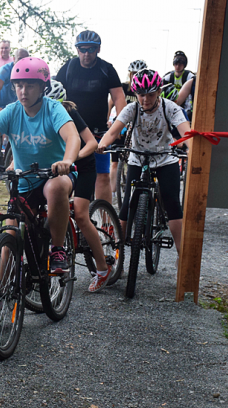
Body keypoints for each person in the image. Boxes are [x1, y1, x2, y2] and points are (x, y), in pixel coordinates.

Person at [0, 58, 83, 280]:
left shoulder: (53, 109)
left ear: (43, 87)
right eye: (19, 86)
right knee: (9, 234)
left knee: (55, 189)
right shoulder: (12, 111)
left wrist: (67, 161)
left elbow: (72, 136)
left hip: (57, 174)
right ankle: (0, 295)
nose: (23, 91)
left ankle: (58, 249)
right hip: (25, 179)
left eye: (30, 85)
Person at [98, 69, 191, 260]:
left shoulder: (170, 107)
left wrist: (190, 148)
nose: (146, 99)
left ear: (158, 92)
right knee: (126, 206)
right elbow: (114, 131)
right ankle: (118, 254)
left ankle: (183, 256)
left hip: (165, 158)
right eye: (141, 95)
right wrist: (102, 144)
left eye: (150, 94)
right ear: (136, 94)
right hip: (138, 158)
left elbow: (186, 132)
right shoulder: (132, 109)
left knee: (172, 202)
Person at [45, 80, 115, 288]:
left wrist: (73, 158)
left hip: (82, 166)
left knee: (82, 215)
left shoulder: (70, 113)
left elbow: (92, 143)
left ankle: (102, 268)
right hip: (56, 168)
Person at [55, 30, 126, 203]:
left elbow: (118, 98)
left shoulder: (106, 69)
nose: (86, 54)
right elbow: (54, 96)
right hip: (70, 129)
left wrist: (119, 126)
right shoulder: (69, 67)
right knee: (66, 172)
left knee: (102, 176)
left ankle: (107, 222)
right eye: (82, 49)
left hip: (98, 131)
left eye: (91, 50)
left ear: (98, 50)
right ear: (77, 50)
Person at [107, 59, 147, 203]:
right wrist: (107, 120)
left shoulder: (144, 90)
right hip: (122, 125)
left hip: (138, 126)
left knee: (136, 160)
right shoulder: (123, 87)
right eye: (133, 74)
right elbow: (111, 103)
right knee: (114, 162)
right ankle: (113, 192)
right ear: (129, 74)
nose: (135, 76)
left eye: (138, 74)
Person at [0, 48, 29, 131]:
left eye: (25, 59)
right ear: (14, 59)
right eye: (20, 59)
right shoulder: (6, 69)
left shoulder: (26, 72)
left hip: (8, 107)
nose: (22, 62)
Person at [163, 51, 196, 119]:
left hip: (186, 107)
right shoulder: (168, 77)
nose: (177, 67)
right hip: (171, 106)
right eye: (176, 64)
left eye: (180, 64)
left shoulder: (189, 76)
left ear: (184, 65)